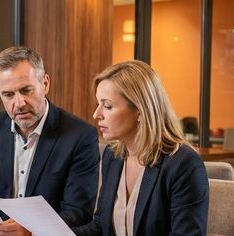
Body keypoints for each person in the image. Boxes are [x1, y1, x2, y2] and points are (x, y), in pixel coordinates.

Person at [0, 46, 100, 236]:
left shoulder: (80, 135)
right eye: (8, 95)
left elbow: (78, 212)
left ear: (45, 83)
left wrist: (32, 230)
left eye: (26, 90)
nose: (19, 103)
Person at [73, 60, 208, 235]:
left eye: (107, 106)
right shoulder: (112, 156)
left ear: (140, 109)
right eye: (98, 104)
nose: (96, 114)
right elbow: (101, 225)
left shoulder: (184, 164)